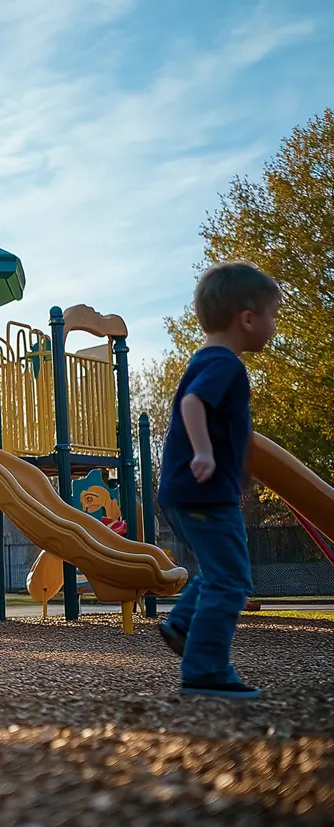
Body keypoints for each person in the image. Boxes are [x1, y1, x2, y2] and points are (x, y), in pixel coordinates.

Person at [156, 261, 280, 700]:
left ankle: (183, 624)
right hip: (203, 492)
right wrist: (206, 452)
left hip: (185, 492)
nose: (273, 325)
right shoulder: (225, 365)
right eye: (272, 315)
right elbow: (193, 402)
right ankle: (205, 671)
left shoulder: (206, 358)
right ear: (247, 318)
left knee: (216, 573)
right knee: (232, 580)